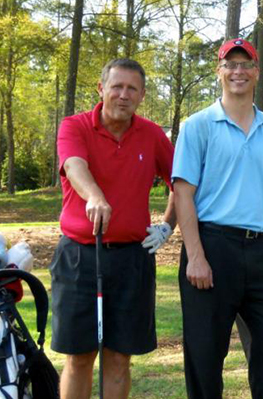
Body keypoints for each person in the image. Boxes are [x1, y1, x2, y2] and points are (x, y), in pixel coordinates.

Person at [172, 38, 263, 399]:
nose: (238, 71)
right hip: (212, 248)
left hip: (261, 250)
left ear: (257, 73)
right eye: (231, 64)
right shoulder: (197, 125)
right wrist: (195, 255)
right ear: (220, 72)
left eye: (246, 64)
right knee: (205, 353)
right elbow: (183, 192)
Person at [50, 58, 177, 399]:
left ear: (142, 95)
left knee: (119, 357)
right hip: (79, 256)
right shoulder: (74, 126)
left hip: (132, 259)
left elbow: (182, 183)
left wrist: (167, 226)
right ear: (101, 88)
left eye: (132, 88)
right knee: (79, 357)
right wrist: (94, 196)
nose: (123, 94)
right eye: (117, 86)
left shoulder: (151, 135)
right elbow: (74, 165)